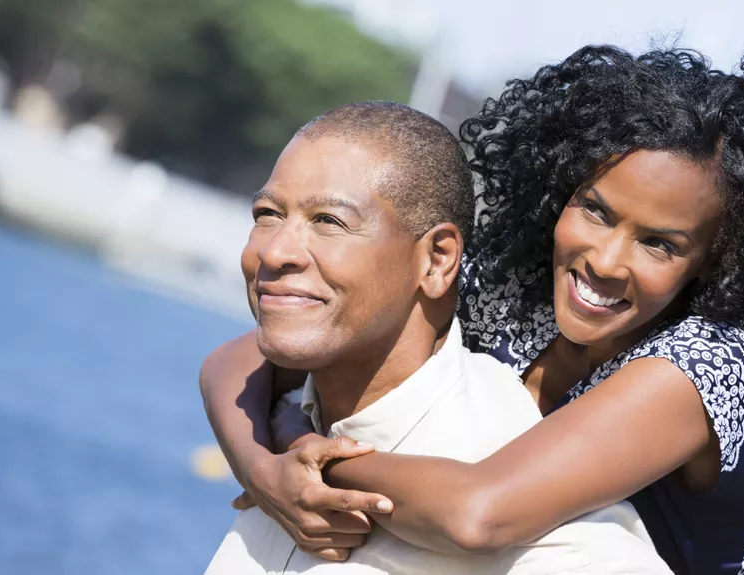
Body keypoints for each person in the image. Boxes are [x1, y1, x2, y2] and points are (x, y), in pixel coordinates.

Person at [200, 46, 744, 575]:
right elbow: (242, 357)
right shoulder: (516, 288)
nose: (607, 261)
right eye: (595, 209)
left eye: (659, 244)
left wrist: (308, 459)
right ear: (559, 190)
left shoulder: (711, 367)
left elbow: (480, 515)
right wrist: (265, 473)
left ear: (713, 259)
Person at [204, 101, 671, 574]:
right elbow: (228, 365)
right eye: (266, 213)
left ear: (438, 260)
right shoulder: (283, 436)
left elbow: (478, 517)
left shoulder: (553, 543)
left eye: (329, 221)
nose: (275, 251)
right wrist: (265, 464)